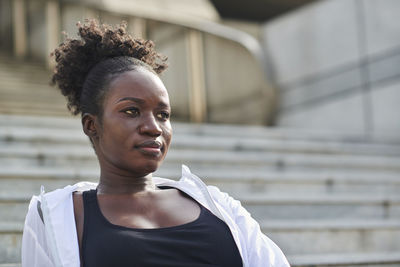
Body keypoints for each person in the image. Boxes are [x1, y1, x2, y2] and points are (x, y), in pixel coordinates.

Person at [21, 19, 290, 267]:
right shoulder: (57, 216)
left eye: (163, 115)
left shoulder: (220, 206)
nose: (153, 127)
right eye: (131, 111)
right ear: (92, 125)